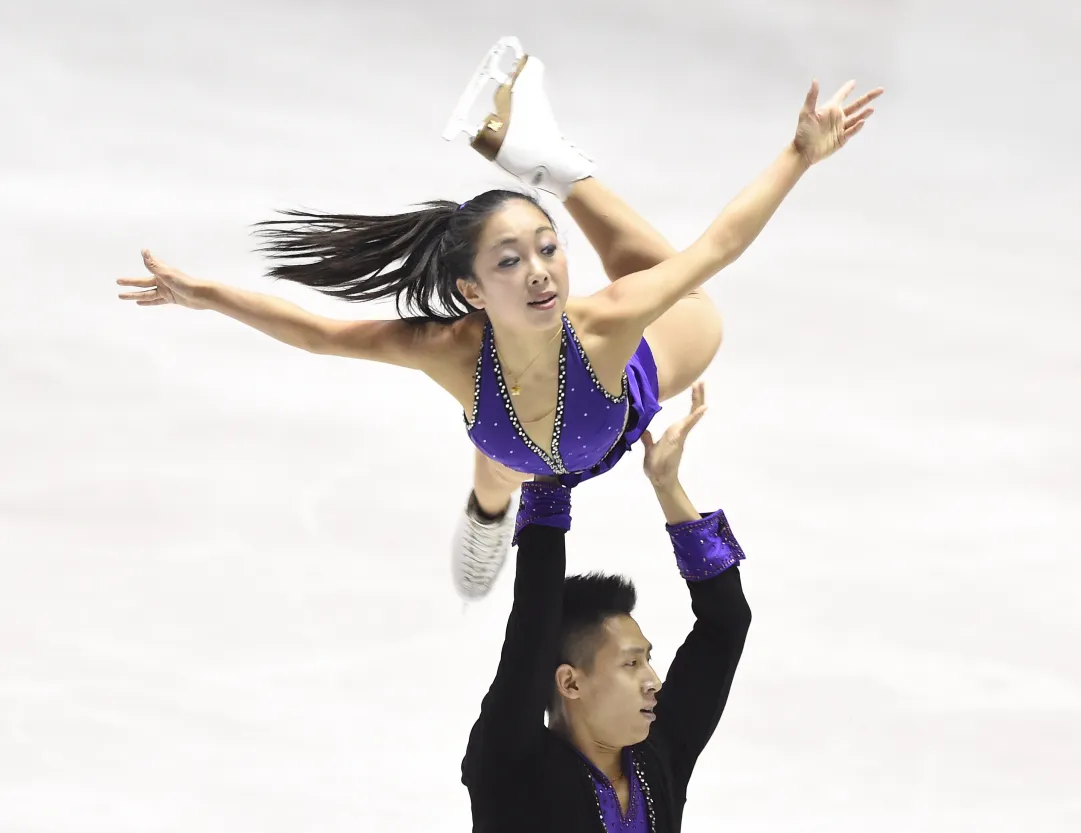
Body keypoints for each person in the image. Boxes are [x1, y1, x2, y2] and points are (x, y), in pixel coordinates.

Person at [116, 35, 882, 600]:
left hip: (620, 401)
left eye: (547, 248)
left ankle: (544, 161)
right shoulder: (447, 349)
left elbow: (718, 244)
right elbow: (319, 334)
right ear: (473, 289)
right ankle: (536, 158)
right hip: (517, 443)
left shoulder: (604, 324)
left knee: (690, 308)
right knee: (501, 465)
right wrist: (207, 295)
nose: (541, 270)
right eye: (510, 260)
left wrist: (797, 153)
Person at [462, 381, 752, 832]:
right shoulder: (511, 763)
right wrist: (548, 479)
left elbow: (726, 623)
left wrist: (667, 487)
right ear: (569, 682)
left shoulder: (661, 756)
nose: (653, 681)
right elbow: (533, 629)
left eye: (646, 661)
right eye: (631, 663)